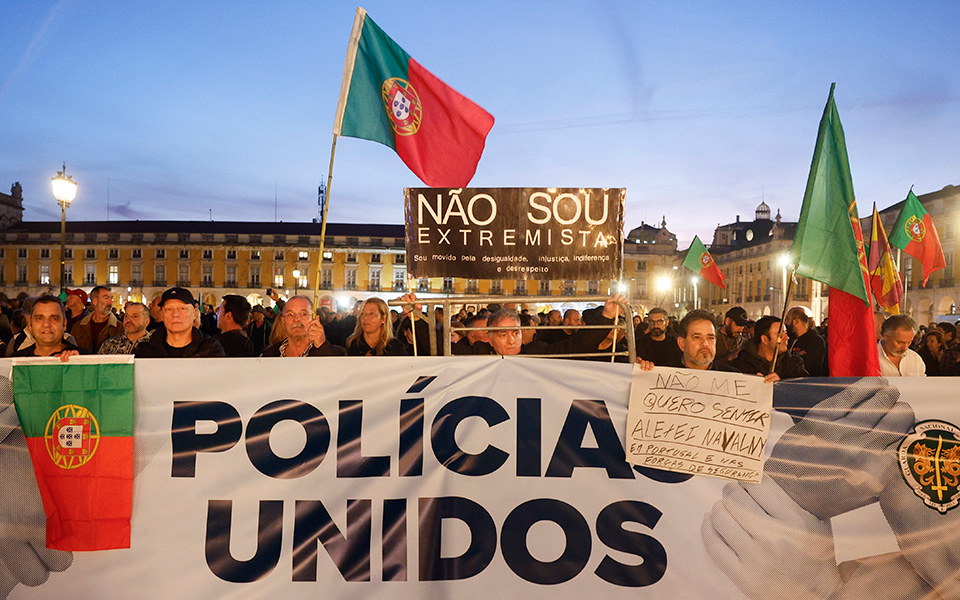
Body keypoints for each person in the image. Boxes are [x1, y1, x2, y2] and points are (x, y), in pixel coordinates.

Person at [402, 293, 625, 357]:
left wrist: (606, 316)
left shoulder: (537, 352)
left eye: (515, 333)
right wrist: (416, 319)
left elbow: (577, 346)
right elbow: (440, 350)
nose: (511, 340)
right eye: (503, 334)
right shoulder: (477, 353)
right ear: (489, 336)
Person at [134, 287, 225, 358]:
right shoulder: (145, 350)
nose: (175, 314)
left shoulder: (210, 349)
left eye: (182, 308)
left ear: (194, 314)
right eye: (169, 309)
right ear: (162, 314)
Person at [261, 295, 345, 357]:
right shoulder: (268, 355)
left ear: (316, 319)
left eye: (303, 314)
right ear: (283, 321)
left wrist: (322, 347)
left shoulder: (338, 354)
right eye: (290, 314)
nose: (296, 319)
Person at [666, 309, 746, 375]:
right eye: (697, 337)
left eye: (710, 338)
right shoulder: (664, 374)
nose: (705, 343)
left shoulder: (732, 376)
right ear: (682, 343)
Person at [728, 315, 808, 379]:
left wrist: (780, 386)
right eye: (779, 334)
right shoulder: (740, 366)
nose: (787, 338)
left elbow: (803, 390)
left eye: (785, 333)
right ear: (765, 339)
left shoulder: (794, 364)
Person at [13, 296, 83, 360]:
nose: (46, 324)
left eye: (54, 319)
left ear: (64, 324)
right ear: (30, 325)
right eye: (39, 319)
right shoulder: (16, 361)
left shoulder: (84, 359)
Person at [71, 285, 122, 353]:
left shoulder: (119, 328)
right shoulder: (78, 327)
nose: (110, 303)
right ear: (95, 301)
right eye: (106, 298)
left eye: (111, 299)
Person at [785, 306, 826, 376]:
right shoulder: (789, 339)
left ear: (796, 322)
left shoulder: (815, 341)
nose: (785, 322)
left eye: (787, 319)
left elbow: (811, 365)